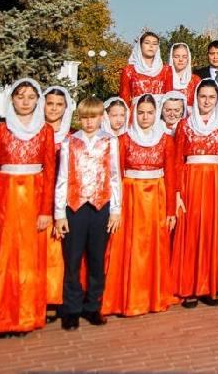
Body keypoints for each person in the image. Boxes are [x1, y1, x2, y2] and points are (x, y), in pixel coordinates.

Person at [0, 79, 56, 337]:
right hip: (5, 201)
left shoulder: (45, 132)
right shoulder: (0, 130)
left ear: (38, 101)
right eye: (20, 96)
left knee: (30, 260)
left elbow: (50, 173)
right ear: (12, 100)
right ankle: (0, 317)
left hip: (34, 199)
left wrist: (45, 211)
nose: (25, 101)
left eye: (31, 97)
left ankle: (26, 317)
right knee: (4, 259)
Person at [101, 94, 177, 317]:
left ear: (156, 113)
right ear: (135, 113)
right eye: (141, 112)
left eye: (150, 112)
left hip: (156, 197)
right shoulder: (123, 140)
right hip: (131, 197)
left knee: (154, 245)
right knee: (131, 247)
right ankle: (130, 297)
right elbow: (115, 175)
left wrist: (171, 209)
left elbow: (171, 176)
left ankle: (153, 296)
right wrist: (116, 207)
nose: (145, 117)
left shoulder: (165, 140)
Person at [53, 97, 122, 330]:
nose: (89, 122)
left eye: (94, 117)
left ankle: (93, 305)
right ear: (79, 118)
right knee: (72, 260)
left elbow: (115, 177)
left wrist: (115, 210)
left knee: (96, 258)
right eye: (85, 118)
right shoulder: (69, 142)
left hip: (101, 207)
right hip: (75, 208)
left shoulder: (110, 142)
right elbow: (62, 178)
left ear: (101, 117)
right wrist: (59, 213)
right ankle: (71, 309)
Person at [171, 80, 218, 308]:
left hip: (217, 182)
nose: (206, 101)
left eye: (211, 97)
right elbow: (177, 160)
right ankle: (190, 287)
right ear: (195, 98)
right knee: (192, 232)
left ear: (217, 99)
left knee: (213, 231)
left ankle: (211, 286)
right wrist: (177, 192)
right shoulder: (184, 125)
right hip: (191, 181)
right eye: (202, 96)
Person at [42, 85, 74, 310]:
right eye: (50, 103)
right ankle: (38, 294)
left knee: (61, 246)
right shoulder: (34, 132)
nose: (54, 108)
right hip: (37, 194)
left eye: (59, 105)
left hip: (64, 196)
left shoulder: (71, 136)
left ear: (65, 108)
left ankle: (56, 295)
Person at [119, 31, 171, 102]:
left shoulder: (166, 70)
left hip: (160, 111)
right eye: (147, 43)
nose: (151, 46)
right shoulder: (128, 70)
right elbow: (124, 100)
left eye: (155, 44)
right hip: (136, 111)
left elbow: (170, 98)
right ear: (140, 46)